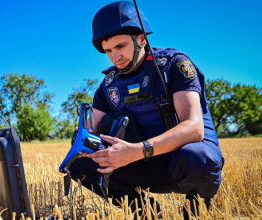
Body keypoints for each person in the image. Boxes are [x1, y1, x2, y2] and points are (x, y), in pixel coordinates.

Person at [68, 1, 225, 218]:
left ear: (141, 38)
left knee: (197, 158)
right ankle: (146, 213)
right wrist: (85, 140)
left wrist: (137, 151)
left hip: (179, 162)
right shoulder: (108, 85)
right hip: (138, 163)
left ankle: (196, 212)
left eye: (120, 46)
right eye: (108, 51)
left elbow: (194, 129)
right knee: (79, 164)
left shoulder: (175, 65)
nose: (115, 57)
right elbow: (89, 130)